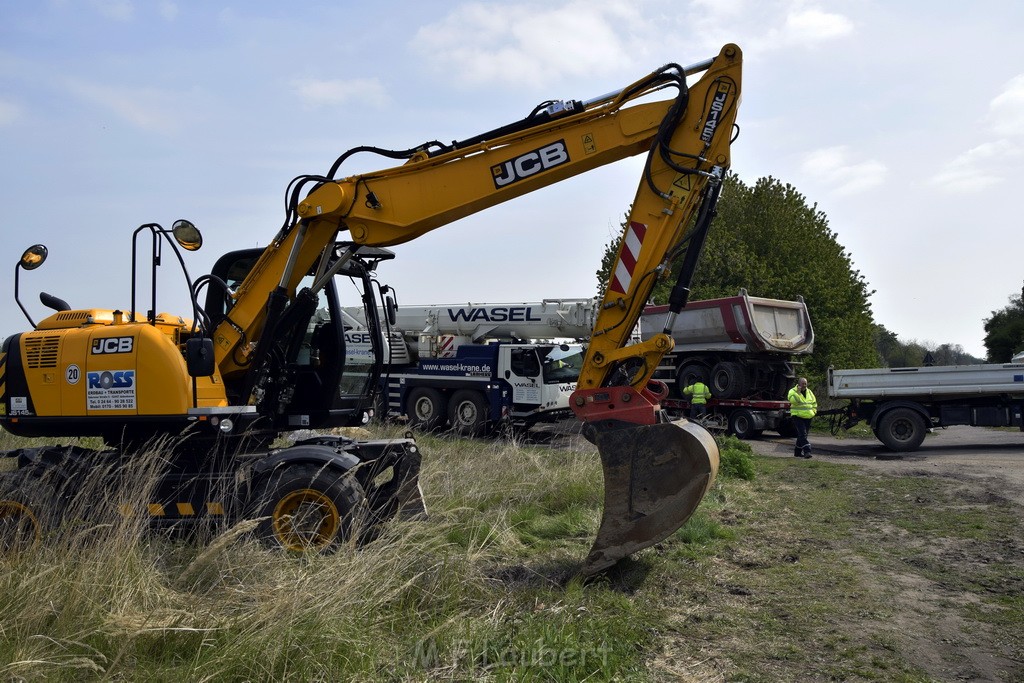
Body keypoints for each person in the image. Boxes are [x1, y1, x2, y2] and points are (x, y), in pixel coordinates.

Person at [788, 377, 817, 458]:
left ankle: (797, 452)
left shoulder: (809, 392)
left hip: (808, 416)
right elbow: (793, 401)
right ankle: (807, 451)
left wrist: (814, 411)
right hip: (798, 416)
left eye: (805, 383)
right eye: (803, 383)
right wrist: (798, 393)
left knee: (803, 435)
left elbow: (814, 402)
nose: (805, 385)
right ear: (799, 384)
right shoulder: (792, 391)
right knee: (802, 434)